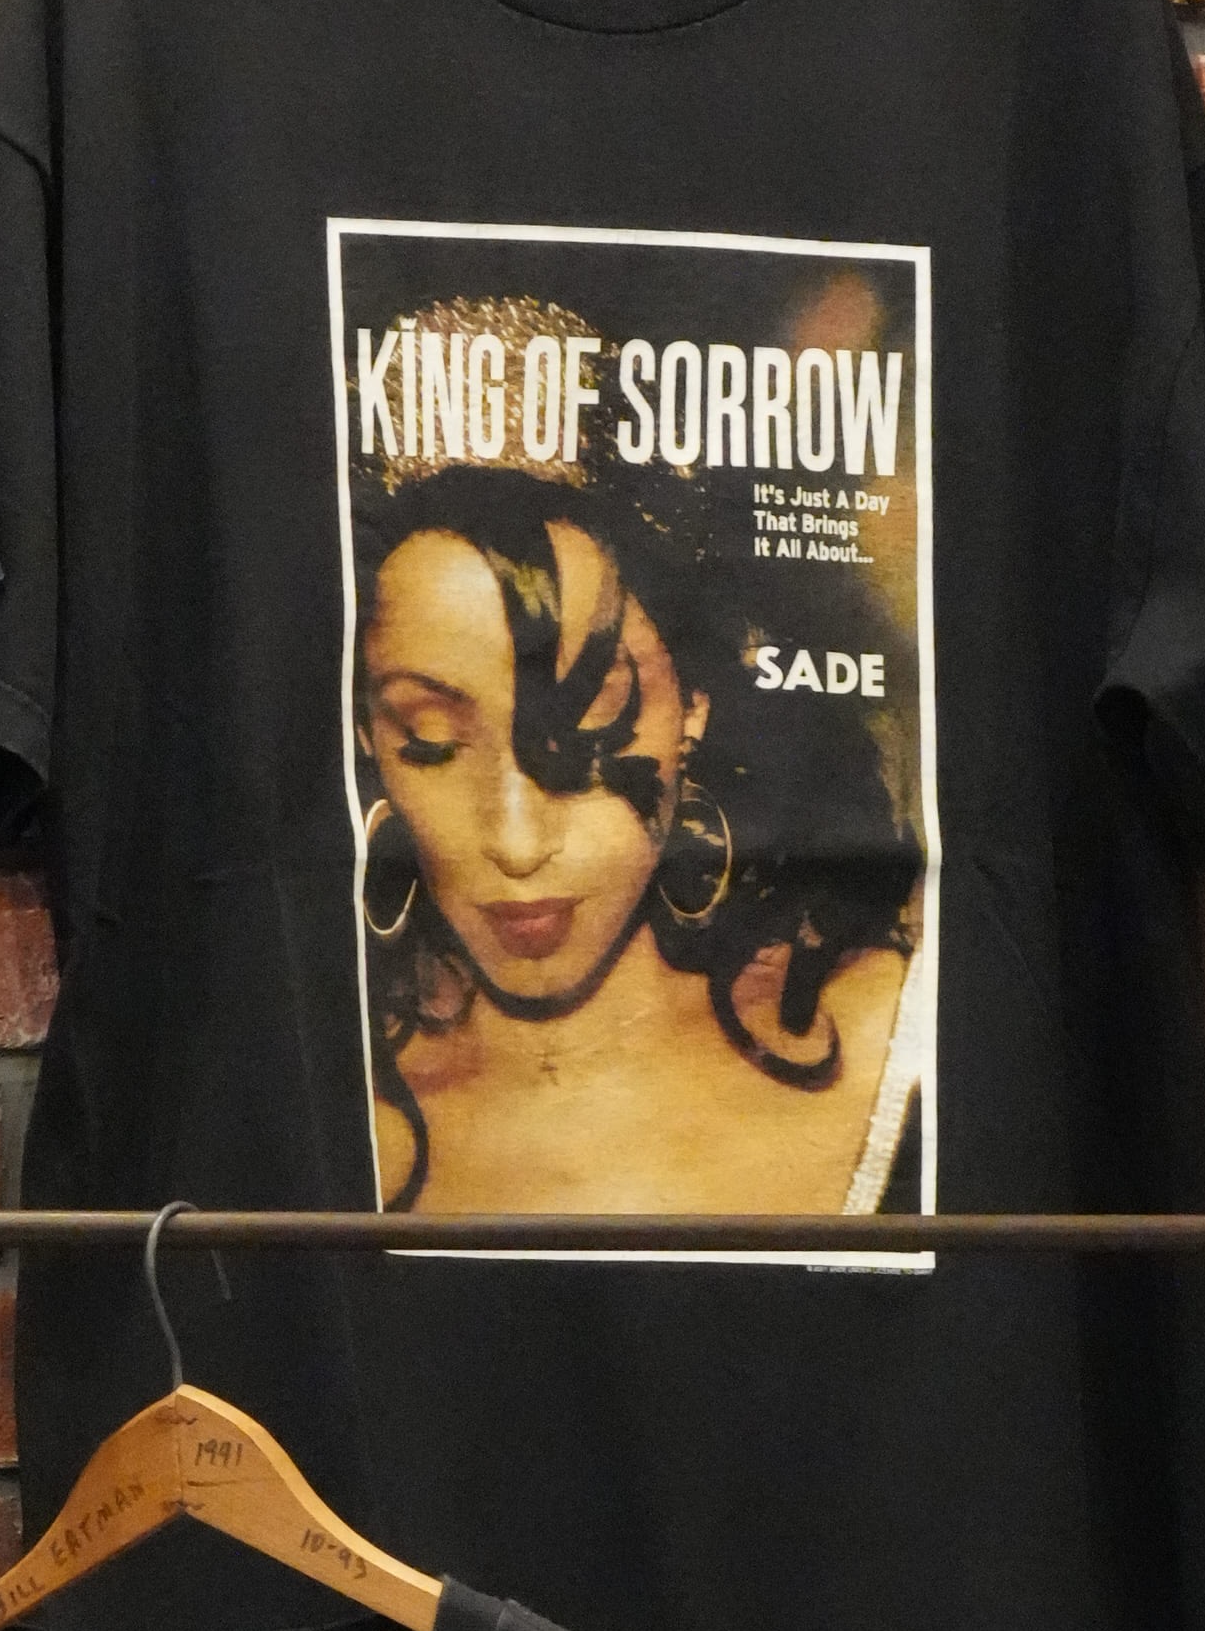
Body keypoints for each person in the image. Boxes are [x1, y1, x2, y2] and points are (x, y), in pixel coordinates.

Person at [354, 460, 920, 1221]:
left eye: (592, 726)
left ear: (694, 707)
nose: (518, 846)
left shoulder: (902, 1035)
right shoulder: (315, 1091)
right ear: (368, 737)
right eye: (430, 739)